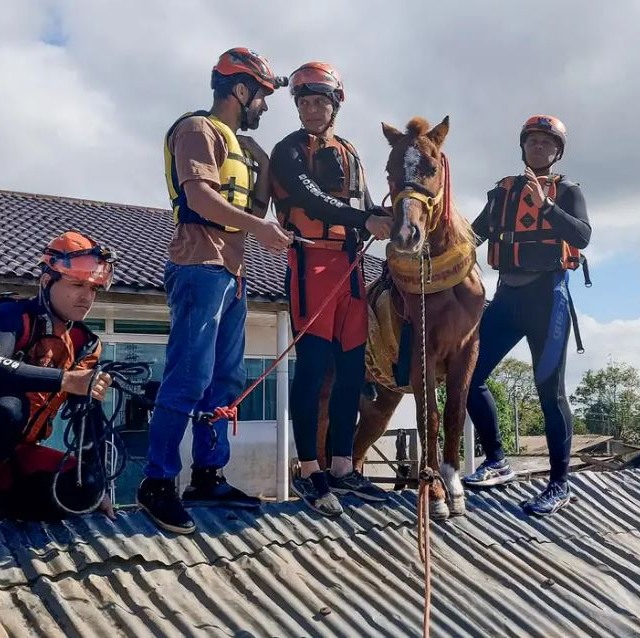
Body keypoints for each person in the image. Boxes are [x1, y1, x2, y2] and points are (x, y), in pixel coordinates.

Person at [137, 47, 292, 534]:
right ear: (240, 90)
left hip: (234, 274)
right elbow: (201, 196)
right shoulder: (196, 130)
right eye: (263, 96)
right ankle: (157, 482)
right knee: (190, 375)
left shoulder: (249, 150)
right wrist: (260, 229)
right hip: (198, 266)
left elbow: (280, 194)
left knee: (224, 381)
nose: (264, 107)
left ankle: (208, 474)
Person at [270, 62, 393, 516]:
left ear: (335, 105)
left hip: (353, 267)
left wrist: (396, 214)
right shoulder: (288, 151)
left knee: (351, 371)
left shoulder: (350, 151)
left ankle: (343, 467)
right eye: (304, 102)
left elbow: (362, 204)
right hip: (313, 264)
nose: (312, 109)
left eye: (320, 101)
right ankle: (309, 470)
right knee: (313, 370)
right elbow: (309, 199)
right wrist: (365, 220)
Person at [463, 115, 592, 516]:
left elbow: (583, 236)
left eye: (547, 143)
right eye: (533, 141)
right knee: (467, 376)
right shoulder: (503, 192)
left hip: (548, 299)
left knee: (549, 393)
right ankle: (498, 461)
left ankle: (559, 484)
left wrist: (546, 205)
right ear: (523, 147)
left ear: (557, 152)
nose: (539, 148)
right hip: (507, 298)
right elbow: (473, 235)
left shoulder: (568, 191)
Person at [0, 231, 115, 521]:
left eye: (93, 289)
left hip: (17, 456)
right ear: (46, 281)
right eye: (77, 285)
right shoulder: (11, 316)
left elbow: (88, 418)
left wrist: (100, 488)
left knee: (84, 489)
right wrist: (66, 380)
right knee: (9, 407)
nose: (86, 297)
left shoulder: (84, 344)